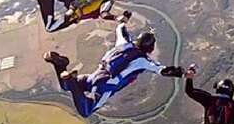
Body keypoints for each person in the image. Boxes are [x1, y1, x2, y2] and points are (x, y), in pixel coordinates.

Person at [43, 22, 184, 117]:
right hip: (104, 86)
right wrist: (182, 73)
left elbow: (120, 29)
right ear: (150, 48)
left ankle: (60, 65)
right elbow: (163, 70)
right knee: (86, 111)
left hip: (94, 76)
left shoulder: (124, 44)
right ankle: (71, 81)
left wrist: (124, 19)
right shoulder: (143, 61)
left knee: (65, 87)